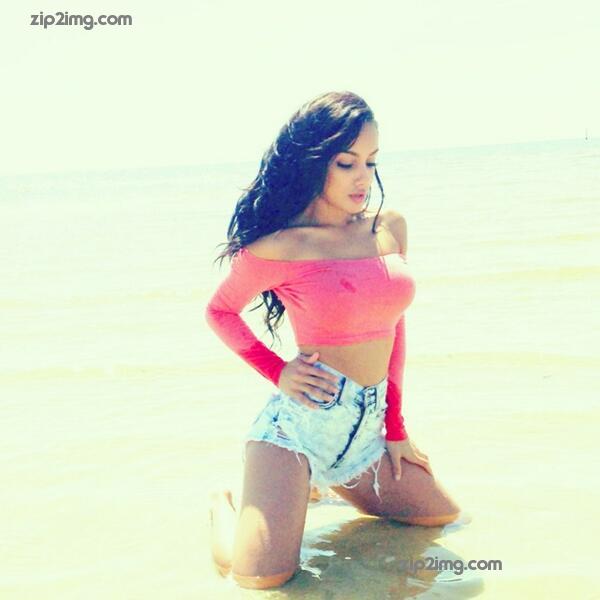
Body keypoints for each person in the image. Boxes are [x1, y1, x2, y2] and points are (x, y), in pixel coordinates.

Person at [205, 91, 464, 590]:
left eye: (371, 162)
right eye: (347, 163)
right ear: (313, 162)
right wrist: (278, 370)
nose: (362, 177)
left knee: (441, 519)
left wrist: (395, 427)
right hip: (298, 432)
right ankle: (225, 508)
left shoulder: (388, 229)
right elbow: (219, 312)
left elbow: (395, 327)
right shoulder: (281, 246)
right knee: (260, 579)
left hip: (368, 430)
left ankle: (320, 489)